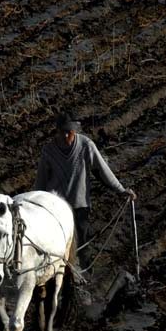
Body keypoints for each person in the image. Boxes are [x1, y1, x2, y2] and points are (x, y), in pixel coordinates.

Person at [33, 113, 136, 271]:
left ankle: (84, 275)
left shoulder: (86, 146)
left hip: (79, 205)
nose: (65, 136)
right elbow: (41, 180)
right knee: (57, 245)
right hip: (55, 208)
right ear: (57, 131)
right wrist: (35, 203)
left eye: (69, 132)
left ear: (74, 131)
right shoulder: (49, 151)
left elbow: (103, 170)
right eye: (62, 132)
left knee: (82, 244)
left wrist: (121, 190)